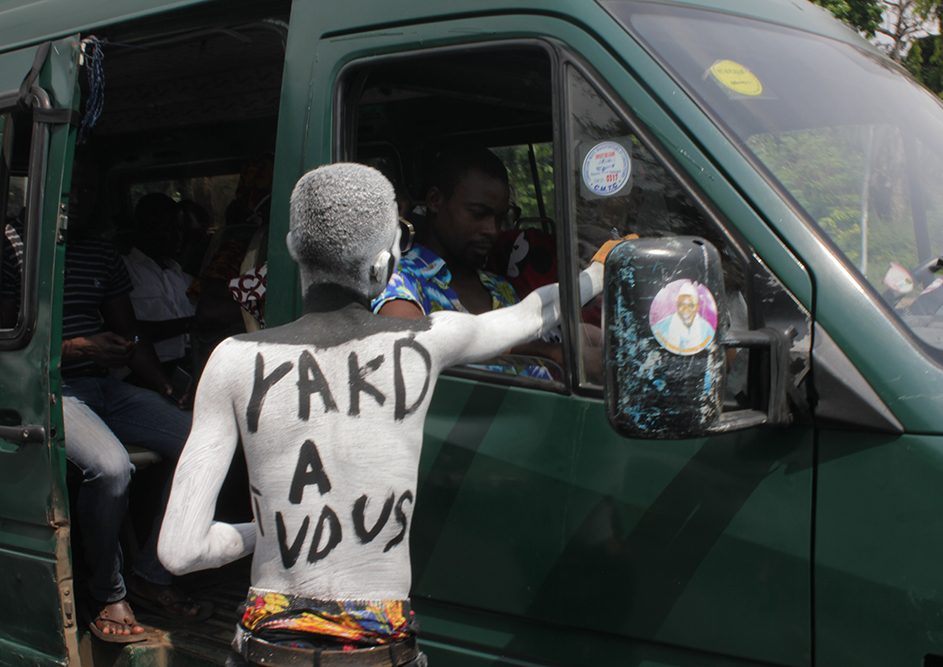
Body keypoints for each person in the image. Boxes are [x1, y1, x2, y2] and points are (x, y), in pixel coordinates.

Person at [157, 163, 608, 666]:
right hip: (376, 650)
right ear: (385, 262)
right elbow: (531, 313)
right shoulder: (427, 343)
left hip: (264, 649)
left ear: (290, 247)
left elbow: (181, 551)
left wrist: (270, 530)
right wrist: (600, 271)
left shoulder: (231, 360)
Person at [2, 156, 206, 641]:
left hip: (106, 387)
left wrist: (161, 382)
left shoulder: (98, 252)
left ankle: (150, 573)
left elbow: (127, 334)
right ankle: (106, 592)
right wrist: (77, 347)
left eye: (91, 188)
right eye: (73, 186)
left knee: (204, 443)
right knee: (113, 469)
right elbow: (9, 336)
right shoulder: (10, 246)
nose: (82, 197)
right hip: (50, 391)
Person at [373, 145, 562, 374]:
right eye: (478, 214)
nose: (491, 230)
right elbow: (415, 344)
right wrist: (545, 351)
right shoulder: (399, 279)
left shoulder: (500, 288)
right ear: (435, 200)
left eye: (500, 218)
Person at [122, 193, 197, 373]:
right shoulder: (125, 271)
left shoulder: (184, 278)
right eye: (168, 229)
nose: (177, 236)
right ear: (146, 229)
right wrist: (193, 323)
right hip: (145, 372)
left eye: (180, 229)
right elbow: (126, 329)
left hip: (191, 365)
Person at [651, 281, 715, 355]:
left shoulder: (707, 329)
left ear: (697, 306)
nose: (686, 310)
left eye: (691, 305)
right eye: (682, 305)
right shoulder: (660, 328)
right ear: (677, 305)